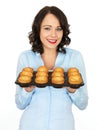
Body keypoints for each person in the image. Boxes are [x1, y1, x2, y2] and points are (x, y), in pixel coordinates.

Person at [15, 6, 88, 130]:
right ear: (38, 30)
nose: (53, 34)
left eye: (58, 29)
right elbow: (20, 104)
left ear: (63, 31)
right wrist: (27, 90)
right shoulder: (26, 57)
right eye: (47, 28)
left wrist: (72, 89)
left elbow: (83, 104)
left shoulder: (75, 57)